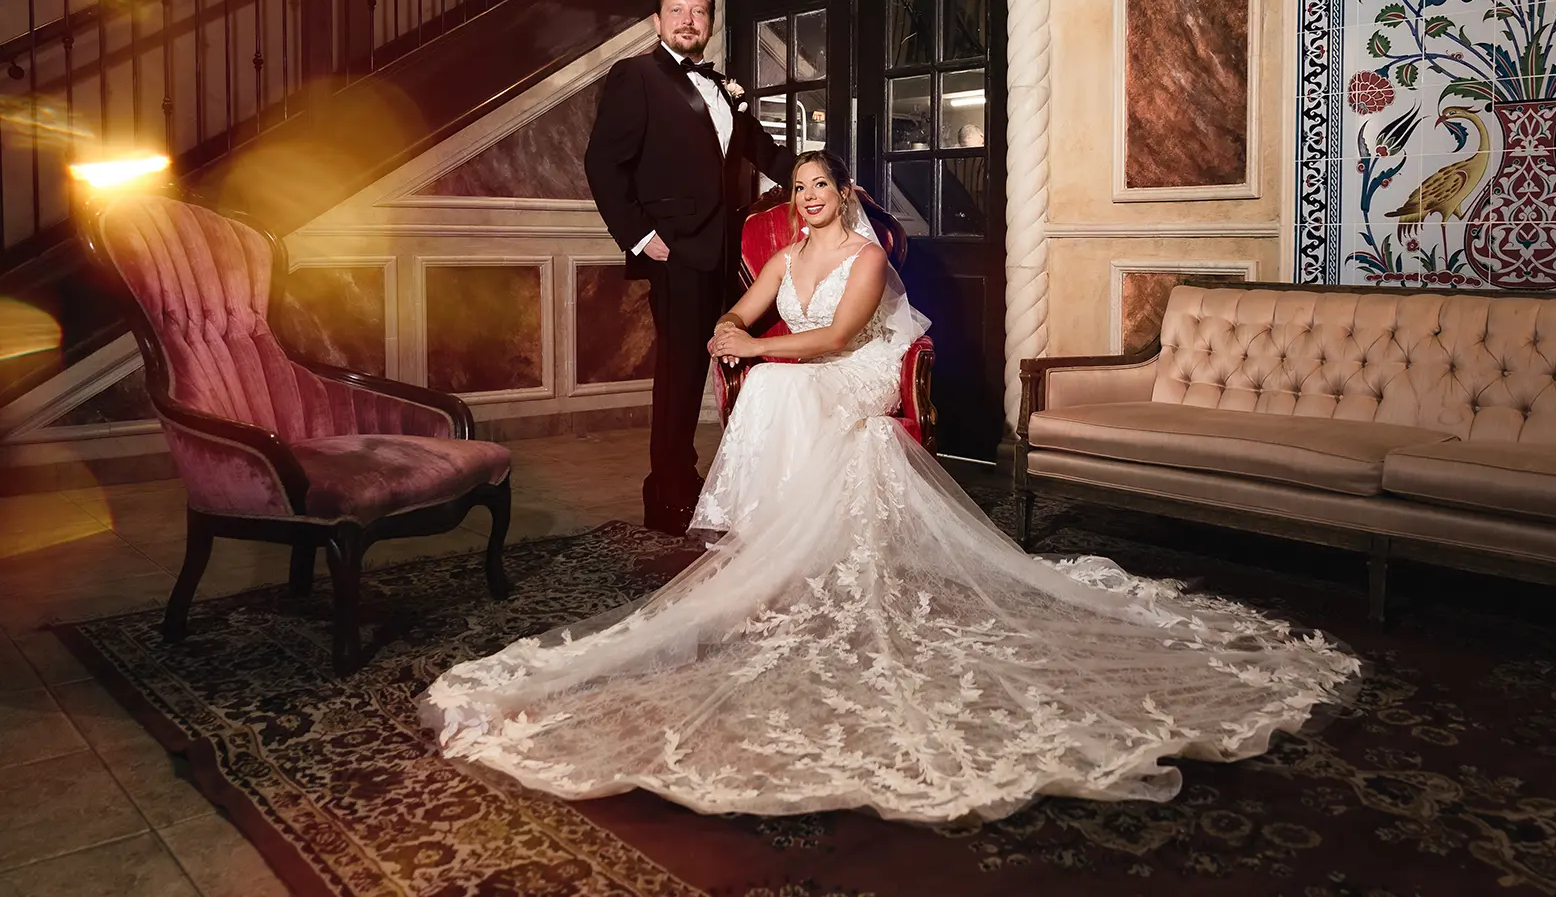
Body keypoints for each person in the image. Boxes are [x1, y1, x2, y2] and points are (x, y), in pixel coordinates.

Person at [425, 152, 1359, 823]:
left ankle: (785, 549)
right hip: (803, 366)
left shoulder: (867, 258)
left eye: (821, 188)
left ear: (845, 197)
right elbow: (741, 312)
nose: (809, 202)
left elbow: (836, 343)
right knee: (774, 379)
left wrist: (755, 349)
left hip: (860, 370)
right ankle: (773, 547)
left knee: (784, 380)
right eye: (797, 191)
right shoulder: (784, 257)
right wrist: (725, 330)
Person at [585, 0, 794, 535]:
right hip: (675, 252)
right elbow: (603, 164)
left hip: (732, 252)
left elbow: (764, 151)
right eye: (676, 10)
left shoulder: (723, 86)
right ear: (657, 22)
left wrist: (820, 177)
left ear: (709, 23)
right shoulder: (635, 76)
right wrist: (641, 236)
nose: (687, 20)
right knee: (680, 376)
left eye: (697, 11)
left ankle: (746, 479)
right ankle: (669, 493)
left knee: (753, 358)